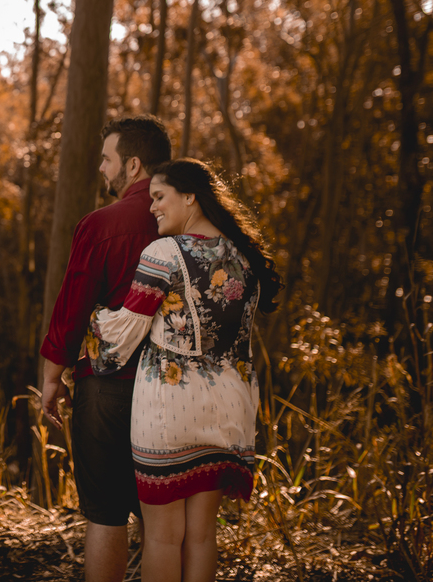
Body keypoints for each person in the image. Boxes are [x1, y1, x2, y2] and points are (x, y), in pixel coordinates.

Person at [89, 158, 282, 582]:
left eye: (160, 197)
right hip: (228, 410)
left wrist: (92, 321)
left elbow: (123, 335)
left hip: (169, 409)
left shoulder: (164, 254)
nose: (152, 206)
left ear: (190, 196)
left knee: (161, 538)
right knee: (200, 537)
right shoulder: (244, 257)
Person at [40, 114, 172, 582]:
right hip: (174, 393)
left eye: (106, 159)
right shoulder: (195, 222)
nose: (101, 169)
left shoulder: (101, 224)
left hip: (108, 389)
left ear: (132, 165)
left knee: (106, 514)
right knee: (164, 524)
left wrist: (52, 378)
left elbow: (71, 308)